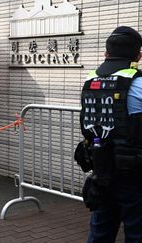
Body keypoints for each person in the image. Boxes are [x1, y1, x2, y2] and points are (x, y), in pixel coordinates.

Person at [76, 26, 142, 242]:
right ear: (138, 55)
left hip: (101, 170)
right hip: (133, 172)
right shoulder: (138, 83)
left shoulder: (89, 81)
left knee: (100, 231)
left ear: (106, 53)